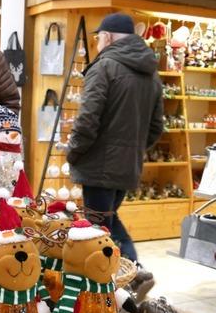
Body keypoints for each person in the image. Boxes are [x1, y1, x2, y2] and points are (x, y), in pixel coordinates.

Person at [66, 13, 163, 264]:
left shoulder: (104, 66)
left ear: (107, 37)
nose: (97, 42)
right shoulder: (151, 73)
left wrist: (73, 151)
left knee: (99, 230)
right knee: (107, 219)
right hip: (127, 166)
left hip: (98, 165)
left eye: (98, 37)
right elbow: (156, 127)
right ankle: (129, 273)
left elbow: (87, 119)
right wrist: (132, 149)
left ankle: (130, 269)